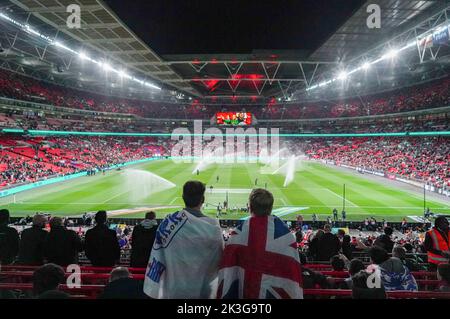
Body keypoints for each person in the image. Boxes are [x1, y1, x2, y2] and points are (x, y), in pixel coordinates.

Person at [217, 188, 303, 299]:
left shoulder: (236, 236)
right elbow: (292, 277)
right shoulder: (287, 238)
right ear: (271, 208)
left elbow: (228, 273)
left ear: (250, 207)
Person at [144, 181, 223, 299]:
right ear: (203, 199)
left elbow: (158, 257)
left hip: (173, 291)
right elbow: (219, 261)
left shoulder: (167, 224)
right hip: (203, 292)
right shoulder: (214, 228)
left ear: (183, 197)